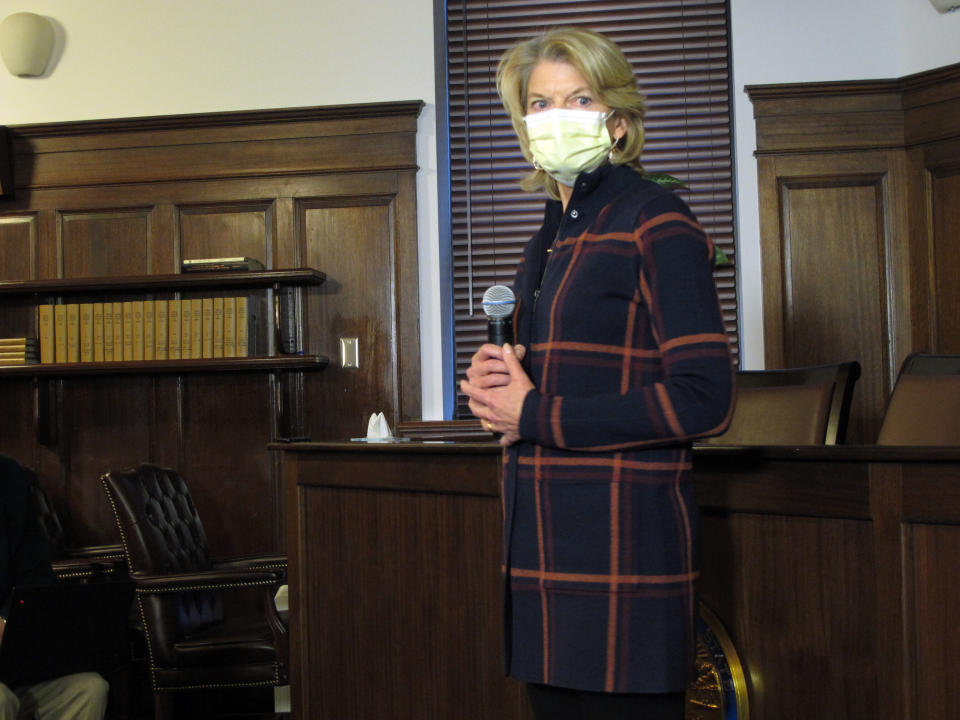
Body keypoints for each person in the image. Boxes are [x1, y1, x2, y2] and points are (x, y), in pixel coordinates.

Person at [460, 28, 735, 720]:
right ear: (523, 124)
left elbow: (707, 399)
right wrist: (499, 397)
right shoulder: (546, 237)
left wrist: (536, 416)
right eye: (541, 103)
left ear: (616, 119)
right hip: (543, 564)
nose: (557, 116)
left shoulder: (657, 219)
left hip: (626, 567)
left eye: (578, 98)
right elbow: (552, 387)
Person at [0, 455, 109, 720]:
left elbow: (36, 578)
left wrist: (8, 622)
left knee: (89, 690)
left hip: (9, 663)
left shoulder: (8, 477)